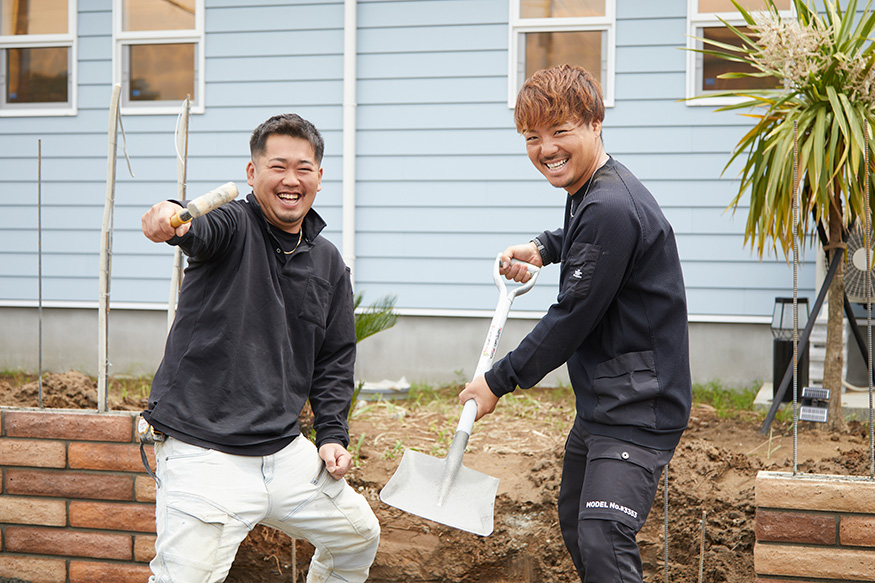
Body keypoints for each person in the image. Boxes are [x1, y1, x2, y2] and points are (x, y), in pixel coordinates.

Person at [459, 65, 692, 583]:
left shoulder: (609, 203)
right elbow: (589, 240)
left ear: (595, 122)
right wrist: (545, 247)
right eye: (532, 137)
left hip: (638, 407)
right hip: (608, 400)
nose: (546, 149)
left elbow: (572, 318)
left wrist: (498, 380)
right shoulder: (594, 190)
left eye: (560, 131)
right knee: (576, 522)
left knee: (604, 537)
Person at [140, 113, 380, 583]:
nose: (291, 180)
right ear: (253, 174)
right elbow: (198, 230)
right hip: (204, 450)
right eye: (278, 166)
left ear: (318, 177)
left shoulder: (328, 262)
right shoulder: (233, 225)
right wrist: (170, 215)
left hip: (283, 452)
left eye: (304, 168)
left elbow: (334, 359)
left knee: (358, 535)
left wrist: (331, 435)